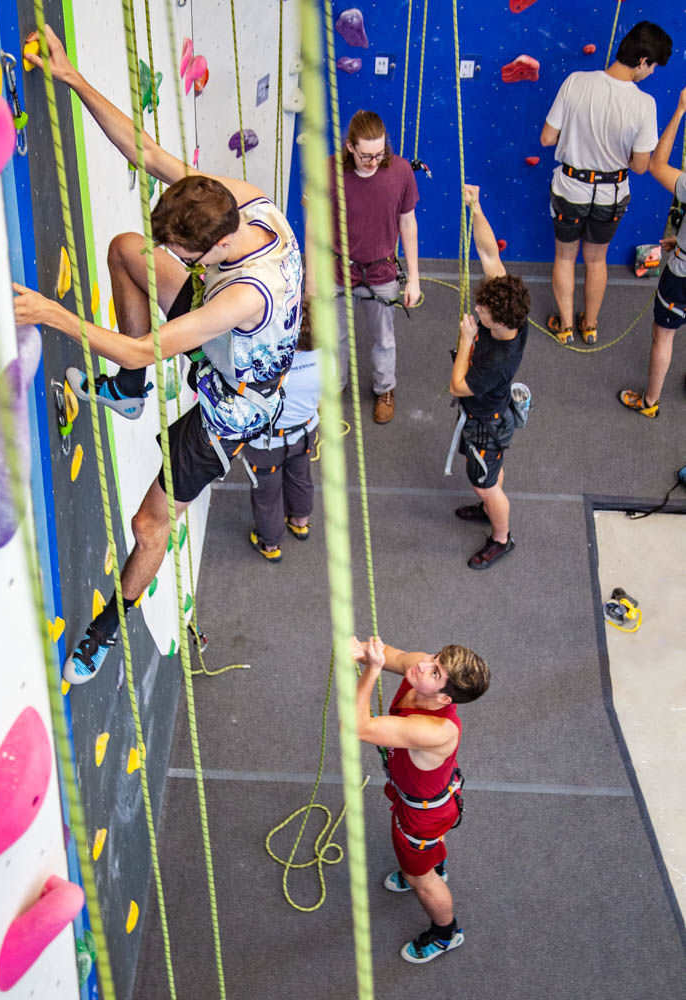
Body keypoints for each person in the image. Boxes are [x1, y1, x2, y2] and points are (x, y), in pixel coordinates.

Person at [12, 25, 302, 684]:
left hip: (232, 406)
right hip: (222, 340)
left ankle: (104, 629)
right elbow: (145, 151)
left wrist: (52, 314)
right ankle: (133, 390)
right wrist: (75, 79)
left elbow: (145, 340)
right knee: (124, 250)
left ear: (210, 249)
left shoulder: (241, 297)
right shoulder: (240, 206)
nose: (169, 255)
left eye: (179, 251)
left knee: (149, 526)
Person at [352, 635, 490, 965]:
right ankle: (431, 864)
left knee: (420, 880)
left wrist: (371, 670)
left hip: (422, 816)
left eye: (435, 671)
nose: (423, 664)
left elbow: (356, 726)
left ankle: (446, 933)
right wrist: (362, 652)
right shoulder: (422, 670)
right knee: (420, 857)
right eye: (435, 657)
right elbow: (391, 654)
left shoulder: (434, 729)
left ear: (444, 696)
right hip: (421, 797)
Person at [540, 21, 672, 345]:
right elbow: (640, 166)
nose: (652, 73)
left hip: (571, 188)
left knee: (565, 257)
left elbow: (546, 138)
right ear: (643, 60)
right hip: (611, 195)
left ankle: (566, 326)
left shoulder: (575, 82)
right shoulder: (645, 104)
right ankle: (591, 325)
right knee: (597, 259)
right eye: (653, 66)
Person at [450, 186, 531, 570]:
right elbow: (488, 252)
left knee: (485, 483)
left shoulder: (497, 360)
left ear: (497, 323)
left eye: (482, 312)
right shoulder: (511, 311)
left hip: (486, 423)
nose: (477, 309)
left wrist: (466, 340)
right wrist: (476, 208)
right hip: (487, 418)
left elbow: (457, 386)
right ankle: (490, 500)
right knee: (488, 476)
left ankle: (502, 537)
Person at [325, 110, 421, 424]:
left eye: (380, 153)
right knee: (335, 337)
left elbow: (408, 224)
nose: (373, 161)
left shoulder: (401, 171)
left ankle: (385, 389)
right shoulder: (330, 172)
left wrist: (414, 279)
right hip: (340, 271)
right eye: (366, 155)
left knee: (384, 337)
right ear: (350, 146)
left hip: (382, 272)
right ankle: (335, 387)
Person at [619, 86, 686, 419]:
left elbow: (655, 164)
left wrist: (679, 112)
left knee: (664, 335)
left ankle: (649, 402)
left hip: (683, 277)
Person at [245, 300, 320, 561]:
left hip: (266, 444)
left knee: (267, 494)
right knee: (300, 476)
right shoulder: (325, 359)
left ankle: (271, 543)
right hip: (304, 433)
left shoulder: (268, 366)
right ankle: (300, 521)